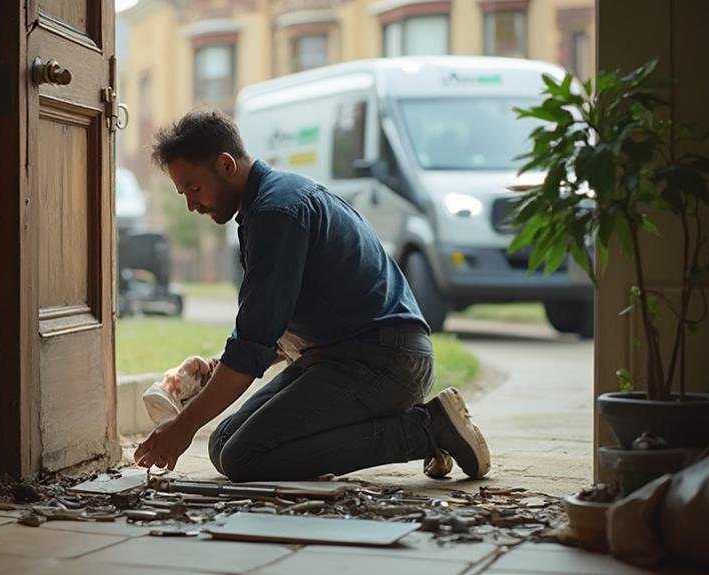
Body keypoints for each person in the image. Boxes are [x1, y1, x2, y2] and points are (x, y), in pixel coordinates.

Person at [133, 108, 492, 482]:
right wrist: (214, 372)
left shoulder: (276, 213)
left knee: (245, 457)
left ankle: (424, 431)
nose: (191, 205)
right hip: (343, 357)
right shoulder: (272, 201)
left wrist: (182, 426)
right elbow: (273, 330)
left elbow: (253, 341)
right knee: (223, 443)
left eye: (193, 188)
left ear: (225, 165)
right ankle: (412, 427)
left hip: (385, 362)